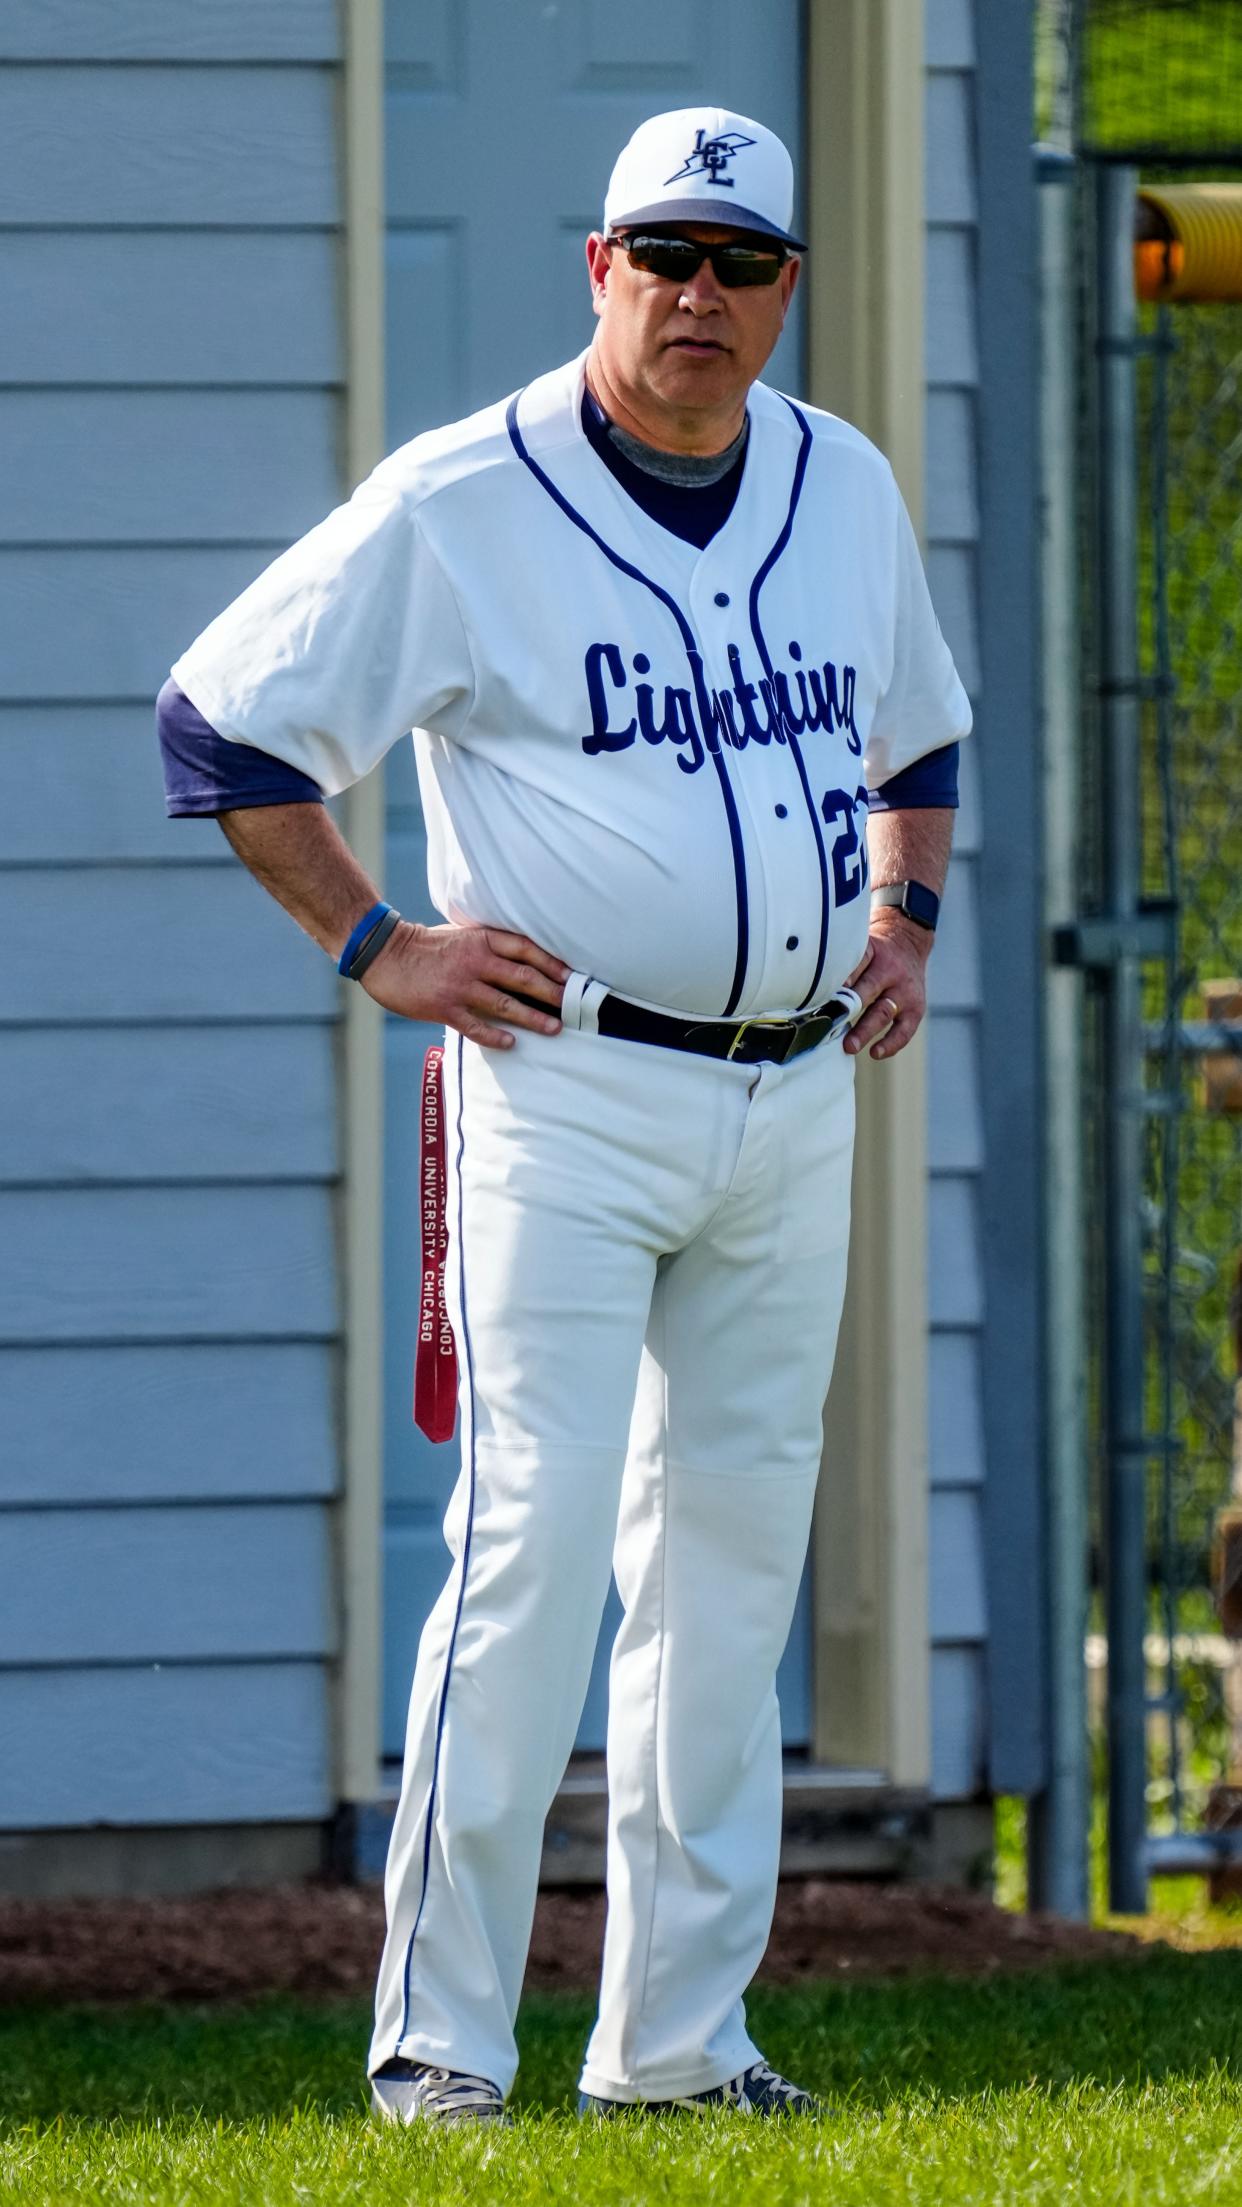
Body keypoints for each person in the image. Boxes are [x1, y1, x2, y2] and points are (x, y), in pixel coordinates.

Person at [157, 106, 970, 2124]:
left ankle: (681, 2047)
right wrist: (385, 951)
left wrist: (911, 908)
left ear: (787, 288)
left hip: (799, 1095)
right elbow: (222, 722)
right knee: (528, 1552)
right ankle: (439, 2049)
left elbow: (919, 724)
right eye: (662, 255)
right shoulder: (462, 502)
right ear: (595, 267)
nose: (700, 295)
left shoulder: (839, 482)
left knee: (730, 1570)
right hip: (565, 1082)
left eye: (742, 263)